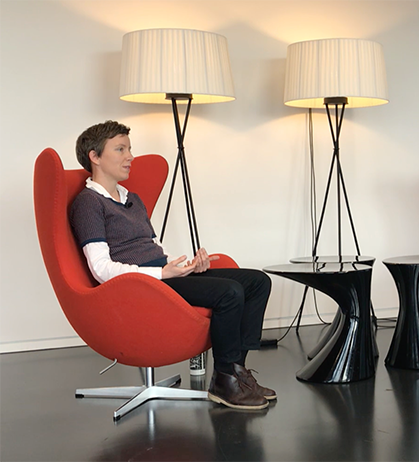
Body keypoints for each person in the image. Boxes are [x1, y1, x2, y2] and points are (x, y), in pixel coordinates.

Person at [70, 120, 275, 410]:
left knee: (257, 282)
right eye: (120, 149)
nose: (130, 157)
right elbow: (101, 269)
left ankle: (238, 373)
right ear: (95, 156)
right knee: (229, 293)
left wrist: (187, 266)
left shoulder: (131, 199)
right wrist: (162, 273)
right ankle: (224, 380)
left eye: (130, 149)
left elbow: (152, 248)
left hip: (163, 276)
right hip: (141, 286)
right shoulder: (88, 203)